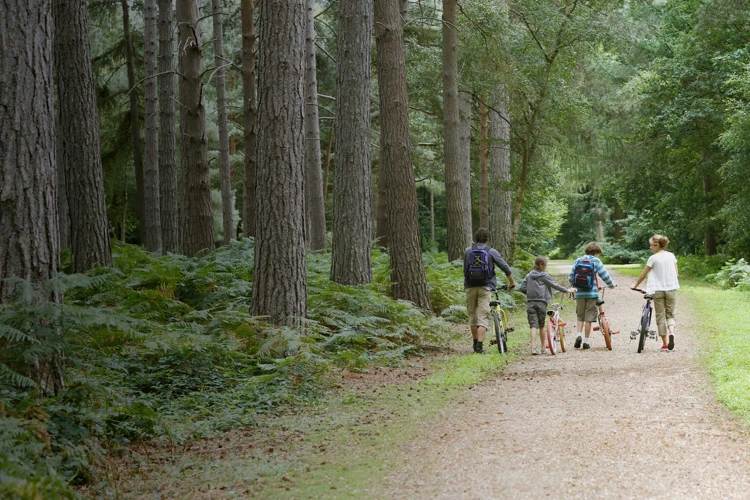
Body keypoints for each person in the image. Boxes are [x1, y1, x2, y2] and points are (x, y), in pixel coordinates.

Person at [463, 228, 516, 354]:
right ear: (487, 239)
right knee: (483, 317)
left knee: (473, 316)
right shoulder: (491, 251)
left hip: (470, 287)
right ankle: (480, 346)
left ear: (476, 239)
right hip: (486, 287)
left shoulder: (467, 251)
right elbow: (505, 267)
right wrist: (511, 283)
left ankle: (475, 343)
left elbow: (465, 269)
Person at [518, 256, 576, 355]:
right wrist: (567, 290)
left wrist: (531, 293)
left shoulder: (529, 275)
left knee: (533, 326)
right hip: (541, 303)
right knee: (541, 326)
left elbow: (522, 288)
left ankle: (533, 348)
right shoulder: (544, 275)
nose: (545, 267)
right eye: (545, 265)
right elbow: (555, 285)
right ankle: (542, 348)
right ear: (540, 265)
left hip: (531, 303)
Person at [631, 234, 679, 351]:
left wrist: (635, 285)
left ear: (657, 245)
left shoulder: (653, 258)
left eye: (651, 245)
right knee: (670, 314)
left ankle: (665, 344)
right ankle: (671, 332)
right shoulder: (671, 256)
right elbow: (676, 273)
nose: (650, 248)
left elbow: (643, 274)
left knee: (660, 316)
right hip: (671, 289)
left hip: (658, 290)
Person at [569, 242, 616, 350]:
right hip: (592, 293)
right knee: (588, 318)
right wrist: (611, 285)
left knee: (580, 316)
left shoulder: (578, 260)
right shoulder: (596, 261)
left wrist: (574, 286)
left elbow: (570, 276)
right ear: (596, 252)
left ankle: (578, 335)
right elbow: (604, 275)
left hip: (579, 293)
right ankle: (586, 342)